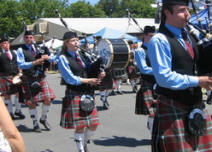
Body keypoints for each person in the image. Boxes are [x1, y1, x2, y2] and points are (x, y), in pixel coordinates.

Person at [148, 0, 212, 151]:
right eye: (182, 11)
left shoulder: (190, 37)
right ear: (167, 13)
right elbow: (163, 77)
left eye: (188, 10)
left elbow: (198, 66)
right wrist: (198, 81)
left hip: (196, 106)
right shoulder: (159, 40)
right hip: (174, 108)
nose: (188, 15)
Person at [57, 31, 105, 152]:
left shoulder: (83, 54)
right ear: (66, 44)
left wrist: (100, 73)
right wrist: (88, 80)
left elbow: (90, 69)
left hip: (88, 92)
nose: (76, 42)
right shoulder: (63, 58)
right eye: (73, 41)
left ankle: (84, 142)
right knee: (80, 126)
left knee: (93, 125)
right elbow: (70, 79)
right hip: (75, 93)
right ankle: (81, 149)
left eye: (77, 40)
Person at [16, 31, 55, 132]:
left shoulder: (40, 48)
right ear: (24, 39)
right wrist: (34, 63)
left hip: (40, 77)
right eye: (27, 38)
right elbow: (21, 64)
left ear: (33, 38)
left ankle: (43, 118)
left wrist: (49, 58)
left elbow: (53, 59)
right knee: (32, 102)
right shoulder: (21, 50)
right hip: (29, 77)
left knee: (48, 99)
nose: (29, 39)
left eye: (31, 37)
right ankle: (35, 123)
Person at [134, 26, 157, 134]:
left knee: (159, 111)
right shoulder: (140, 51)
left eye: (154, 36)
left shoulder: (157, 49)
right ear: (145, 36)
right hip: (148, 83)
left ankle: (151, 124)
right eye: (151, 36)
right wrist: (160, 71)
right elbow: (144, 69)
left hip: (160, 84)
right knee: (152, 112)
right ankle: (153, 136)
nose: (153, 38)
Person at [0, 33, 25, 120]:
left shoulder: (14, 52)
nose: (6, 45)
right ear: (1, 45)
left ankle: (18, 110)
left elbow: (19, 64)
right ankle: (10, 113)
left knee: (19, 94)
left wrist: (20, 72)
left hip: (15, 76)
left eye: (7, 43)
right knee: (7, 95)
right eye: (3, 43)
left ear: (9, 44)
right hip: (4, 76)